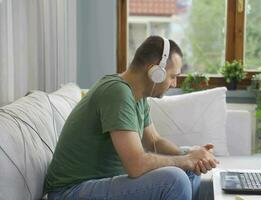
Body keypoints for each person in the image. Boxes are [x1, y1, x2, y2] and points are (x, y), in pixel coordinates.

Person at [44, 36, 219, 200]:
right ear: (155, 71)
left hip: (93, 185)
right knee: (175, 179)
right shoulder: (117, 93)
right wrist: (186, 160)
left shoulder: (137, 96)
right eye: (173, 76)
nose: (174, 83)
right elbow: (136, 165)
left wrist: (192, 155)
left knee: (188, 168)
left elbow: (155, 142)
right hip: (69, 192)